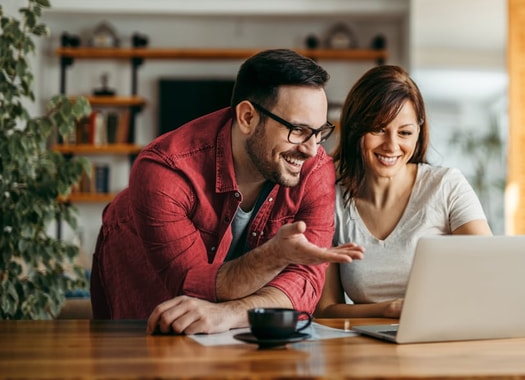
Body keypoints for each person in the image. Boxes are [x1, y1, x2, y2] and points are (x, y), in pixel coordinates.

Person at [90, 49, 364, 334]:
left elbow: (304, 283)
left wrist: (231, 314)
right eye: (297, 130)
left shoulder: (316, 167)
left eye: (320, 132)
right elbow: (192, 286)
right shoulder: (165, 170)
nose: (311, 149)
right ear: (247, 117)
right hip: (140, 268)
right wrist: (276, 256)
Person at [314, 65, 525, 320]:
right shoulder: (329, 196)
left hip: (445, 341)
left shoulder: (445, 186)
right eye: (378, 129)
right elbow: (326, 309)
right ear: (355, 128)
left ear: (418, 132)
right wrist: (389, 310)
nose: (392, 146)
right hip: (366, 353)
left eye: (405, 132)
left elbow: (491, 259)